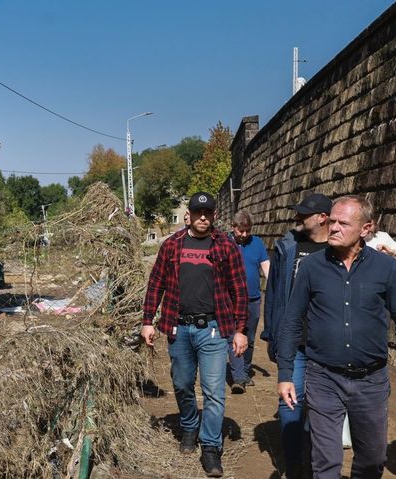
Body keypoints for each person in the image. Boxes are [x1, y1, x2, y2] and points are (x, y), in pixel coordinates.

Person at [276, 195, 396, 479]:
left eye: (343, 223)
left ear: (366, 229)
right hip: (323, 378)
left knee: (372, 459)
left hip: (371, 380)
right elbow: (292, 321)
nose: (333, 228)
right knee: (326, 462)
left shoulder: (386, 268)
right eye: (332, 221)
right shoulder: (310, 268)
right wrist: (285, 374)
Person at [141, 191, 249, 477]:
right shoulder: (172, 245)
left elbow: (240, 290)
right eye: (198, 212)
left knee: (214, 391)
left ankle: (211, 446)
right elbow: (156, 284)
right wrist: (147, 321)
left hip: (213, 329)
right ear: (188, 214)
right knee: (182, 383)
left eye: (208, 213)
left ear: (214, 215)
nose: (203, 217)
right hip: (179, 327)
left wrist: (240, 330)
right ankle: (189, 425)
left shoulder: (226, 245)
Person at [262, 192, 332, 478]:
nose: (296, 217)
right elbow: (275, 293)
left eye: (303, 214)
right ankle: (294, 465)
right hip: (295, 341)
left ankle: (317, 459)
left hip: (329, 344)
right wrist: (271, 332)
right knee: (290, 401)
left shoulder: (341, 248)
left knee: (323, 406)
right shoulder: (288, 246)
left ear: (323, 218)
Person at [228, 210, 270, 393]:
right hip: (231, 299)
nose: (244, 235)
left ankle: (245, 370)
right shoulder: (225, 243)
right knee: (235, 336)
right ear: (233, 228)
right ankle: (238, 376)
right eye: (241, 231)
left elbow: (266, 268)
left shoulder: (257, 243)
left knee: (250, 338)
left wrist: (275, 289)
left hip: (253, 299)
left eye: (248, 231)